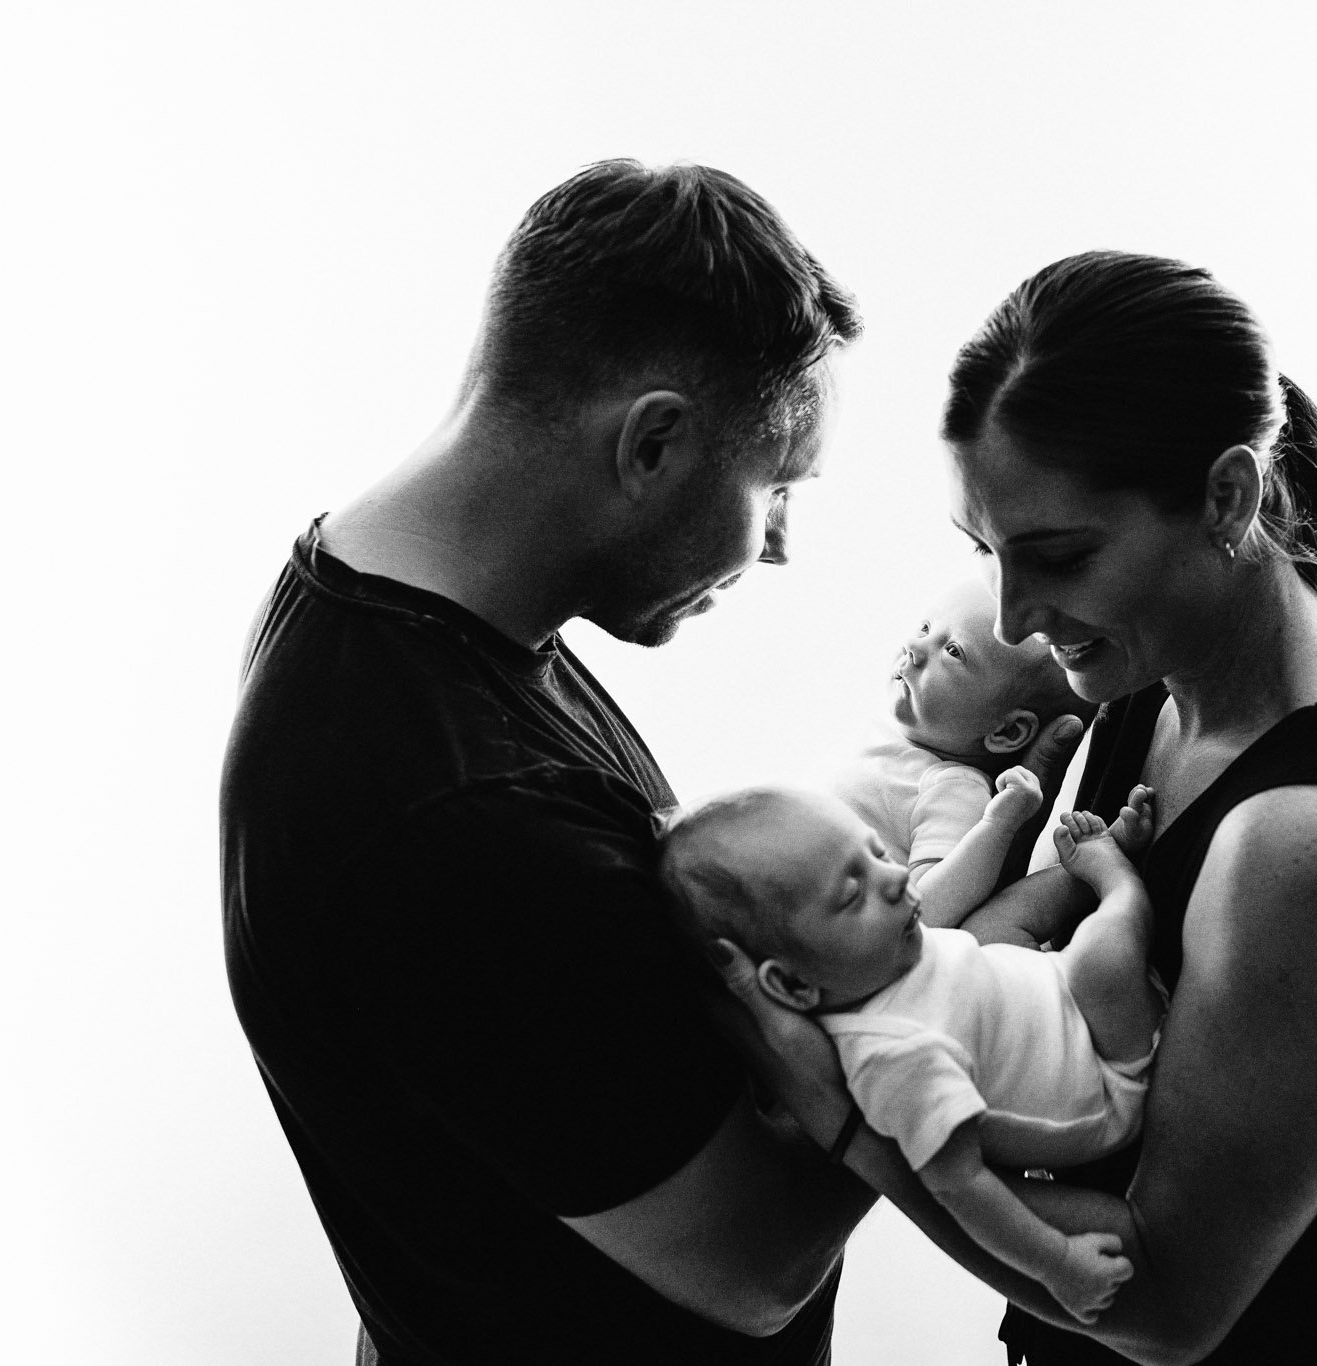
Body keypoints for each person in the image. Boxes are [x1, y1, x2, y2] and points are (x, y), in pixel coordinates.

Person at [221, 159, 973, 1365]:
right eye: (775, 486)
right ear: (655, 443)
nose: (777, 546)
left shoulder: (380, 602)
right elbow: (761, 1256)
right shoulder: (463, 817)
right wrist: (935, 1016)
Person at [712, 251, 1317, 1365]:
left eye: (1058, 556)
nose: (1014, 619)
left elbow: (1163, 1304)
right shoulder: (1154, 675)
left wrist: (851, 1114)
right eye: (985, 555)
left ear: (1227, 495)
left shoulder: (1314, 844)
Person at [657, 784, 1164, 1326]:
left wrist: (997, 823)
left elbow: (953, 898)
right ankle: (1115, 876)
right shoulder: (895, 1058)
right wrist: (1058, 1263)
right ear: (791, 984)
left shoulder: (882, 959)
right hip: (1106, 1079)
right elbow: (960, 1187)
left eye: (877, 853)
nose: (896, 877)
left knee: (1000, 928)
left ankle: (1102, 859)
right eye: (854, 893)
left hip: (1058, 1005)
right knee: (1100, 960)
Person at [834, 576, 1097, 927]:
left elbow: (926, 915)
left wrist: (996, 827)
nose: (913, 644)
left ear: (1007, 731)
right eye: (925, 627)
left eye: (953, 650)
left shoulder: (953, 788)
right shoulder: (883, 734)